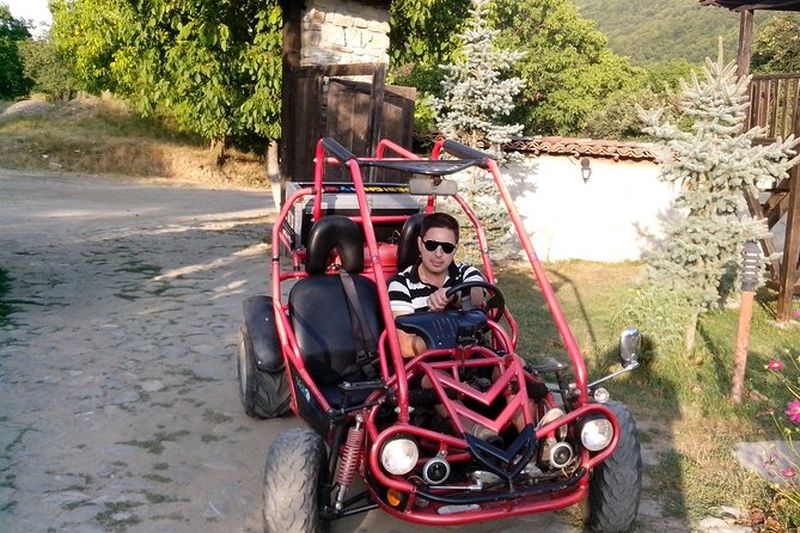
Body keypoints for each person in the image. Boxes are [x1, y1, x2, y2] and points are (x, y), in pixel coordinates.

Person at [388, 212, 485, 358]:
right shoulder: (400, 285)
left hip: (474, 355)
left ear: (455, 249)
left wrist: (454, 295)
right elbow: (406, 347)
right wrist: (455, 337)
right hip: (428, 363)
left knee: (516, 368)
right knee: (441, 380)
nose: (438, 254)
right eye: (431, 245)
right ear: (420, 244)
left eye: (447, 248)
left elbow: (477, 297)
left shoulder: (466, 272)